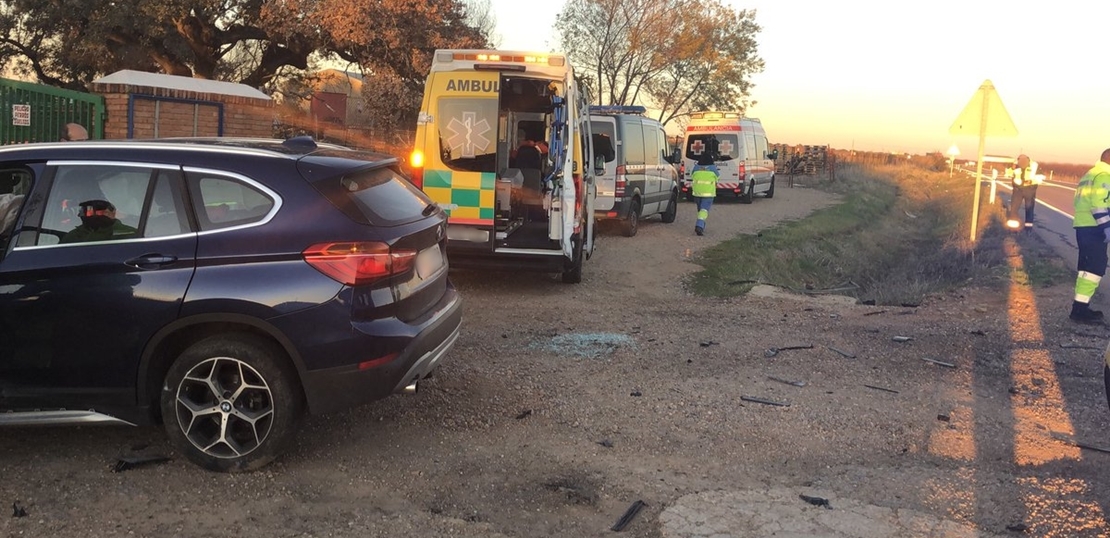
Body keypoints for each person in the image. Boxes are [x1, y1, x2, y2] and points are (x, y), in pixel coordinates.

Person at [1070, 148, 1110, 324]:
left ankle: (1080, 308)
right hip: (1094, 228)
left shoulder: (1090, 174)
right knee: (1095, 269)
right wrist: (1108, 229)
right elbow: (1099, 206)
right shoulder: (1104, 176)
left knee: (1087, 270)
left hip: (1084, 227)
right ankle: (1079, 310)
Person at [60, 199, 137, 244]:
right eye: (87, 210)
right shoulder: (73, 236)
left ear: (112, 212)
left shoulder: (129, 234)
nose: (94, 213)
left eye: (99, 209)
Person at [1004, 154, 1042, 231]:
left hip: (1030, 190)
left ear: (1028, 160)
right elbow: (1007, 173)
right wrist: (1012, 167)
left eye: (1024, 160)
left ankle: (1028, 229)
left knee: (1029, 209)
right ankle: (1013, 229)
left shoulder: (1034, 166)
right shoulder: (1015, 165)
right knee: (1014, 209)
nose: (1022, 162)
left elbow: (1040, 178)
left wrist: (1028, 182)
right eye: (1020, 160)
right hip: (1017, 190)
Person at [690, 150, 720, 236]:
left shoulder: (696, 167)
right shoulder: (713, 168)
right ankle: (699, 226)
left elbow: (692, 176)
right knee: (704, 210)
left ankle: (702, 225)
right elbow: (718, 177)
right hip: (708, 193)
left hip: (697, 193)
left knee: (700, 210)